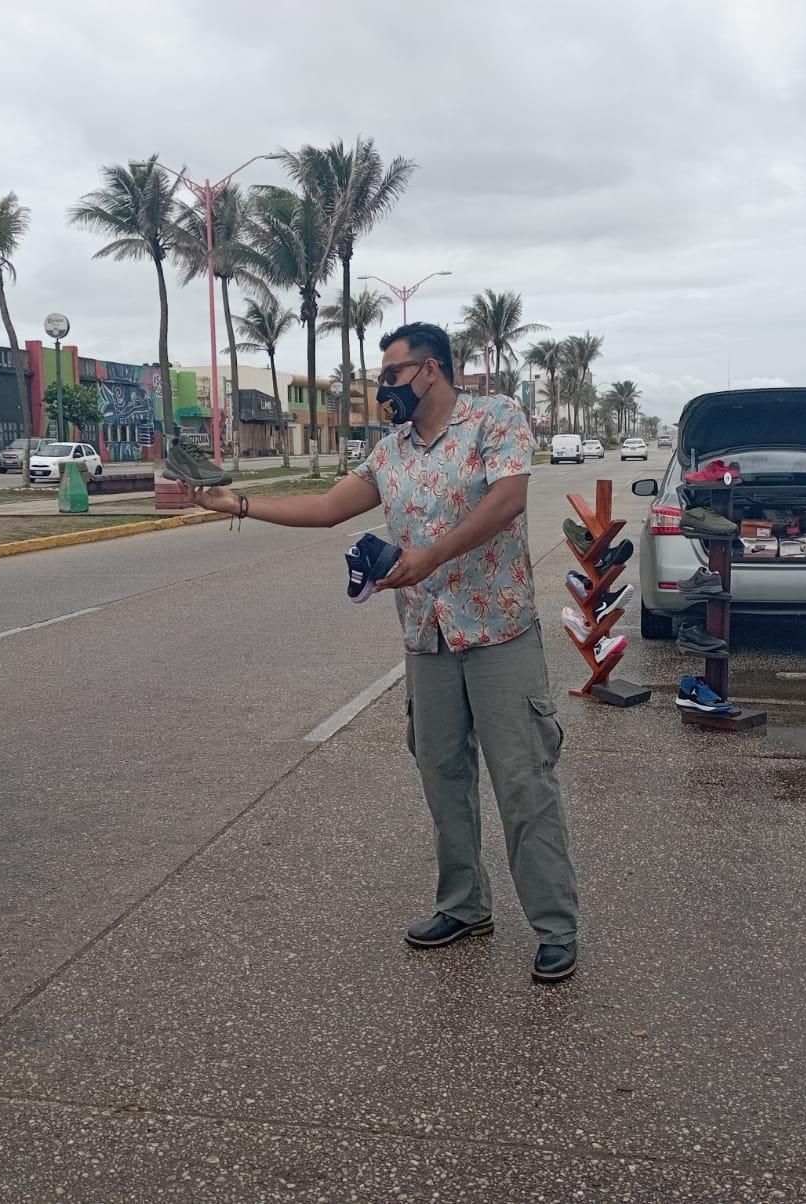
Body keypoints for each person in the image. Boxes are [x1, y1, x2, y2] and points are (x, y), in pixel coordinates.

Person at [180, 321, 580, 983]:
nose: (383, 387)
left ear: (429, 369)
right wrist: (240, 502)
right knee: (442, 775)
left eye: (391, 374)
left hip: (498, 632)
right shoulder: (390, 452)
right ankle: (463, 905)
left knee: (523, 782)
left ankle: (555, 927)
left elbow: (508, 501)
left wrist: (429, 557)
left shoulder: (495, 418)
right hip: (427, 640)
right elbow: (326, 506)